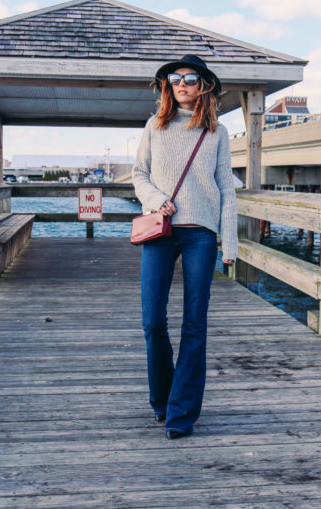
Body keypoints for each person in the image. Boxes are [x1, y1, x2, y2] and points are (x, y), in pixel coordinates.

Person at [132, 54, 237, 439]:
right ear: (167, 86)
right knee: (152, 322)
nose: (181, 83)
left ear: (204, 85)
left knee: (195, 325)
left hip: (201, 235)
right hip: (160, 230)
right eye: (175, 78)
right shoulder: (155, 126)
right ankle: (162, 399)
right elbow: (138, 175)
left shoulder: (217, 133)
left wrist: (231, 240)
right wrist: (158, 200)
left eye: (190, 78)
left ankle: (181, 414)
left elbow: (226, 186)